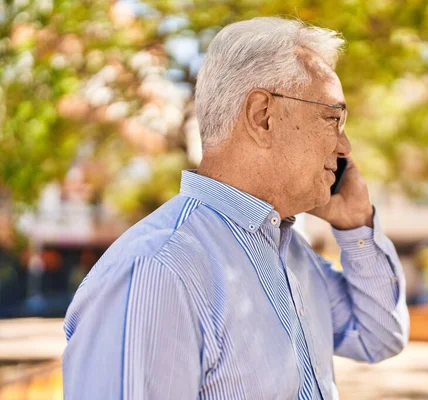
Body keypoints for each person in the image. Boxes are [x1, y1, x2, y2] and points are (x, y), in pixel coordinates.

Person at [62, 17, 409, 400]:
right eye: (332, 118)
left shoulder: (289, 254)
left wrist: (356, 227)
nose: (345, 148)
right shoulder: (160, 268)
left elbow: (379, 336)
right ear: (263, 116)